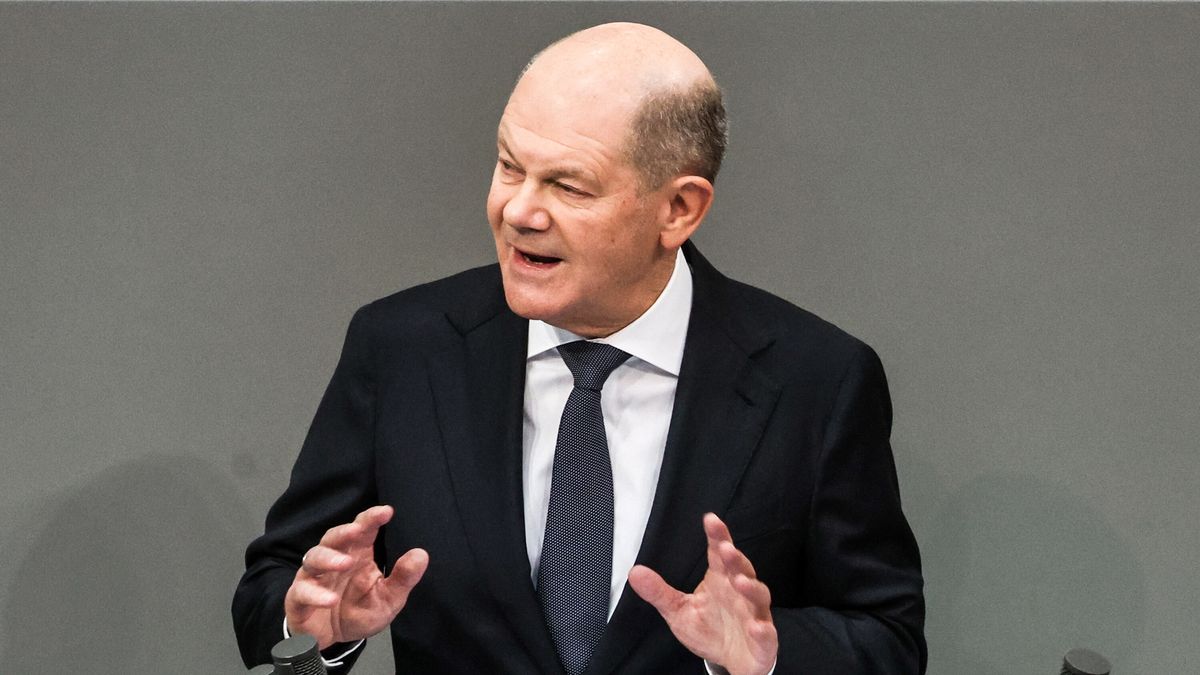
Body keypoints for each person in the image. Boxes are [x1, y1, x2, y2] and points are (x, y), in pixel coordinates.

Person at [233, 22, 925, 675]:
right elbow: (276, 590)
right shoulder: (403, 348)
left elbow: (888, 638)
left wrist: (764, 656)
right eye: (509, 166)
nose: (518, 211)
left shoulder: (817, 380)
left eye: (568, 185)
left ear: (679, 209)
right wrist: (319, 630)